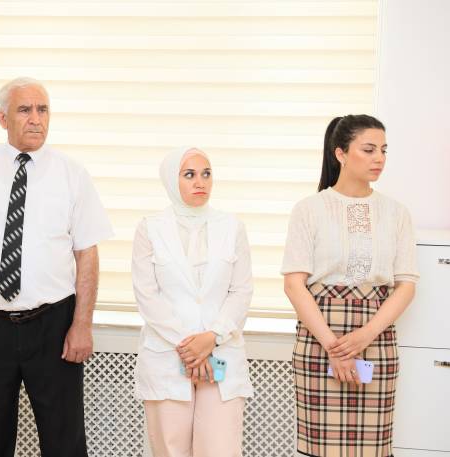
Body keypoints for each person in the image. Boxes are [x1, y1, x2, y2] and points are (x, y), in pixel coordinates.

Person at [0, 77, 113, 457]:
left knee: (65, 442)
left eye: (43, 109)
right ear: (2, 118)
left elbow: (87, 253)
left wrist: (82, 324)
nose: (36, 118)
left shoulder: (72, 174)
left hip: (54, 323)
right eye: (24, 110)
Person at [282, 115, 418, 457]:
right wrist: (335, 347)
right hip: (319, 340)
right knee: (320, 449)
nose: (379, 159)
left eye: (384, 150)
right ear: (340, 153)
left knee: (373, 449)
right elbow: (294, 285)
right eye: (369, 150)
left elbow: (406, 285)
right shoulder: (308, 209)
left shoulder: (396, 213)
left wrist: (364, 336)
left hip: (376, 339)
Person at [132, 147, 253, 457]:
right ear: (172, 180)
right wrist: (190, 348)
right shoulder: (150, 228)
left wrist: (212, 338)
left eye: (206, 174)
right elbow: (147, 296)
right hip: (168, 354)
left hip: (221, 354)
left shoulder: (232, 227)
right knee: (170, 450)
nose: (200, 182)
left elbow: (241, 291)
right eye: (189, 175)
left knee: (220, 449)